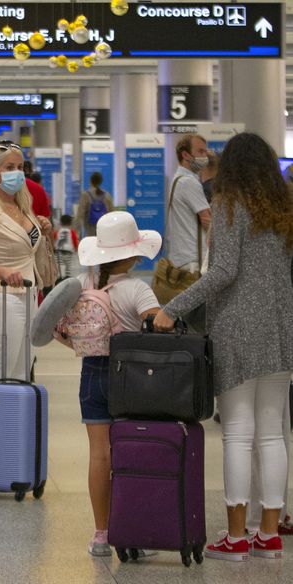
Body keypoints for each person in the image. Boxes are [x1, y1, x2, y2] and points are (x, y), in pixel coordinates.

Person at [153, 133, 293, 561]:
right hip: (281, 327)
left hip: (237, 328)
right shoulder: (285, 209)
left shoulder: (230, 205)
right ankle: (268, 533)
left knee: (236, 432)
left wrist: (173, 307)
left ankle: (235, 537)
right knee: (272, 432)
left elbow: (224, 272)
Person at [64, 212, 162, 557]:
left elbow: (62, 331)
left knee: (99, 454)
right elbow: (159, 327)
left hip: (91, 372)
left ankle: (101, 534)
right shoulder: (138, 289)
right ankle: (132, 530)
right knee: (131, 451)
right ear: (134, 254)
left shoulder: (84, 284)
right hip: (129, 376)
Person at [0, 142, 53, 382]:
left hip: (30, 298)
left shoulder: (23, 209)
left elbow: (28, 248)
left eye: (20, 167)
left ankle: (16, 420)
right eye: (9, 167)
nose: (17, 173)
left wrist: (43, 228)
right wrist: (2, 271)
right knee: (0, 378)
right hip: (1, 300)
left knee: (22, 376)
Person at [163, 133, 212, 278]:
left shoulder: (178, 179)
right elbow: (206, 219)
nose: (205, 156)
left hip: (182, 257)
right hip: (193, 260)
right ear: (185, 154)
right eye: (200, 151)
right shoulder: (188, 182)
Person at [76, 172, 114, 237]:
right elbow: (112, 212)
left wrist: (77, 230)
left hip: (90, 227)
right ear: (101, 182)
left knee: (91, 243)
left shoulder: (85, 195)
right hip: (103, 226)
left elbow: (80, 214)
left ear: (90, 181)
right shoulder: (107, 195)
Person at [53, 214, 80, 279]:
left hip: (58, 252)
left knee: (59, 266)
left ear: (61, 222)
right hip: (68, 252)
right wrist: (76, 249)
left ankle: (59, 278)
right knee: (68, 266)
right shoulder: (72, 232)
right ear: (70, 223)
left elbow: (54, 239)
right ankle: (67, 278)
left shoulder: (58, 231)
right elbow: (75, 241)